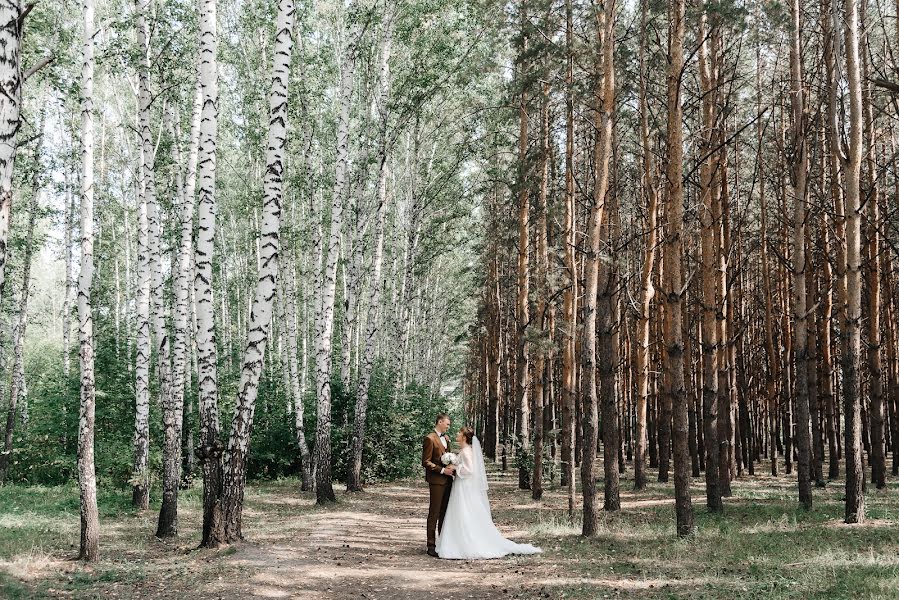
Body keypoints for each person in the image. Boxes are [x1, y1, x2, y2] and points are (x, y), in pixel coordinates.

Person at [436, 425, 542, 560]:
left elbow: (470, 470)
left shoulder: (467, 451)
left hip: (464, 486)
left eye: (459, 432)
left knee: (464, 511)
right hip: (461, 485)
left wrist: (455, 467)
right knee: (459, 512)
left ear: (463, 437)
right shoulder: (465, 450)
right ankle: (456, 542)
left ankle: (464, 543)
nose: (456, 434)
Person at [422, 413, 454, 558]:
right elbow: (426, 461)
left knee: (444, 513)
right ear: (440, 422)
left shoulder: (446, 438)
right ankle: (431, 545)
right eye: (447, 424)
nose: (448, 426)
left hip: (448, 481)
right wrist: (442, 470)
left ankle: (443, 542)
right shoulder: (430, 438)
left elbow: (448, 457)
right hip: (436, 481)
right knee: (434, 513)